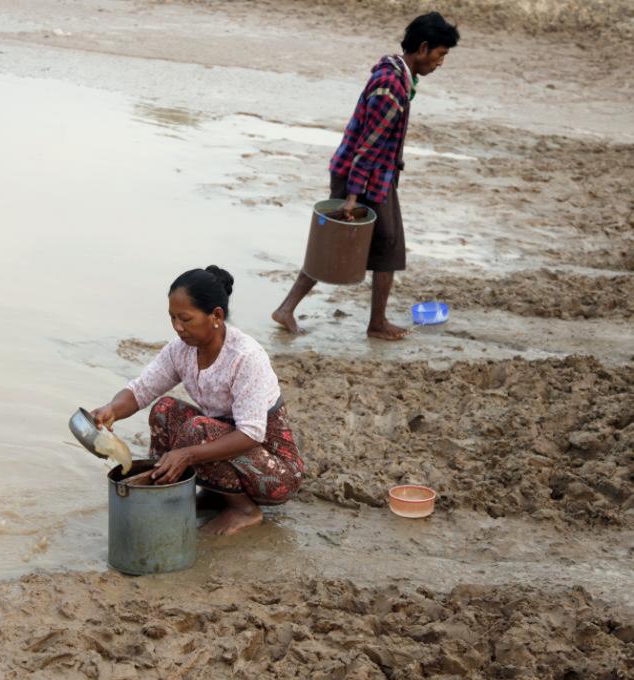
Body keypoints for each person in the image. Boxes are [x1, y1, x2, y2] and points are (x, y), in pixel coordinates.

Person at [272, 12, 460, 341]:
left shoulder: (398, 74)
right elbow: (367, 149)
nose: (441, 62)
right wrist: (352, 197)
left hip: (374, 177)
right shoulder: (391, 87)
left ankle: (299, 310)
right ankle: (370, 323)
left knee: (366, 246)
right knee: (352, 246)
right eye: (440, 54)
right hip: (362, 179)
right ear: (423, 48)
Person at [91, 266, 305, 536]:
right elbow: (141, 390)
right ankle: (199, 494)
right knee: (164, 410)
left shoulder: (245, 356)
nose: (178, 327)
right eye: (172, 318)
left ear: (215, 315)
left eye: (185, 319)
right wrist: (111, 410)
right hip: (227, 452)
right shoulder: (180, 351)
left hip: (273, 472)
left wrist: (187, 454)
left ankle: (244, 509)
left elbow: (251, 433)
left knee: (198, 431)